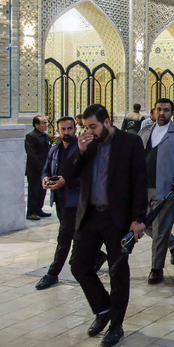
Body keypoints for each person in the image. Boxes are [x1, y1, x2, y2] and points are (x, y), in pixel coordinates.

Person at [63, 104, 147, 347]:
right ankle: (103, 308)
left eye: (93, 126)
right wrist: (78, 150)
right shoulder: (87, 145)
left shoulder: (130, 143)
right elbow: (69, 173)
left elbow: (140, 182)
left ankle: (116, 324)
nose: (89, 131)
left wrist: (138, 218)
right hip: (90, 217)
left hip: (117, 219)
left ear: (107, 121)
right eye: (86, 127)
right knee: (78, 265)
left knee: (118, 272)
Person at [36, 117, 106, 290]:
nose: (66, 132)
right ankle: (97, 256)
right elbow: (46, 168)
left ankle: (52, 274)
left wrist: (65, 181)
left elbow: (87, 176)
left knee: (64, 238)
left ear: (75, 129)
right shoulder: (54, 150)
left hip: (76, 201)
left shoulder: (83, 150)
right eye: (63, 129)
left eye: (69, 129)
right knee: (75, 235)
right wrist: (45, 179)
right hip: (60, 200)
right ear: (58, 131)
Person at [137, 98, 174, 285]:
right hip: (144, 187)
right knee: (143, 224)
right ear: (154, 111)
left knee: (161, 230)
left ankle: (156, 268)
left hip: (167, 189)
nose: (162, 113)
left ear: (172, 113)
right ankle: (173, 242)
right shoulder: (145, 131)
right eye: (159, 109)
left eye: (166, 110)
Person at [25, 115, 51, 220]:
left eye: (46, 122)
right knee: (34, 191)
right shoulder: (30, 136)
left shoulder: (45, 136)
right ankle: (31, 212)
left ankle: (39, 209)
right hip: (34, 170)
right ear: (36, 125)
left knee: (42, 191)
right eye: (44, 123)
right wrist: (41, 167)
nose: (46, 125)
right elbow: (32, 154)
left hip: (44, 169)